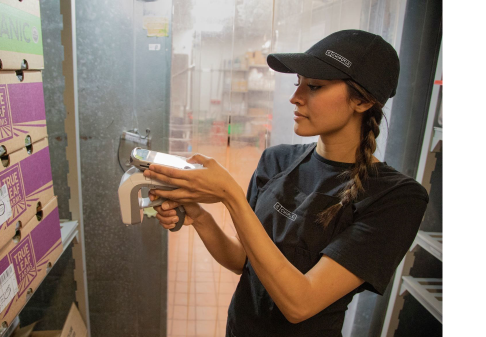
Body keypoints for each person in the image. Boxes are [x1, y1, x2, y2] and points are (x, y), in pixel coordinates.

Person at [144, 29, 429, 337]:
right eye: (298, 84)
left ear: (361, 101)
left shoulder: (396, 197)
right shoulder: (276, 160)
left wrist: (230, 196)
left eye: (315, 86)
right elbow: (243, 259)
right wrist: (200, 217)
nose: (295, 98)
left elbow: (300, 304)